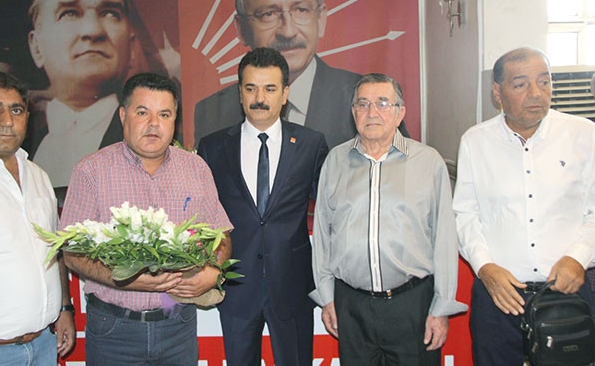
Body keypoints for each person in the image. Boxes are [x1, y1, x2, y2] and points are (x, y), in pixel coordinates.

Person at [60, 72, 232, 365]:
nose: (154, 124)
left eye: (164, 114)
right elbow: (72, 252)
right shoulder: (91, 171)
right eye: (143, 112)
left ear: (175, 119)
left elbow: (221, 235)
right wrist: (127, 279)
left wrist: (214, 270)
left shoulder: (196, 168)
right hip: (115, 330)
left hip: (178, 326)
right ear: (123, 115)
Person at [453, 47, 595, 365]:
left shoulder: (583, 134)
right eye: (521, 84)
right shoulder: (476, 141)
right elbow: (465, 215)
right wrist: (485, 268)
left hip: (567, 293)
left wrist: (578, 258)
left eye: (544, 82)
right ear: (497, 93)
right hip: (500, 296)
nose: (536, 93)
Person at [312, 73, 466, 365]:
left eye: (383, 103)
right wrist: (327, 297)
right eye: (363, 104)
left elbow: (445, 239)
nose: (372, 112)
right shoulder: (335, 161)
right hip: (351, 306)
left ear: (400, 112)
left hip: (412, 305)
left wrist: (441, 307)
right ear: (354, 112)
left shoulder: (428, 162)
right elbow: (322, 234)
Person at [194, 0, 407, 149]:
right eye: (268, 14)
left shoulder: (362, 98)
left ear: (321, 19)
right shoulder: (212, 112)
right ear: (241, 29)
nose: (288, 31)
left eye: (301, 10)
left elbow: (397, 164)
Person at [198, 47, 328, 366]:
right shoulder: (213, 146)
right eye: (251, 88)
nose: (260, 98)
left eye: (270, 88)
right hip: (237, 287)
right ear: (240, 93)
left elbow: (332, 210)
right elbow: (202, 216)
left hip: (292, 286)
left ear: (285, 94)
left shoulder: (311, 144)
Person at [0, 71, 75, 364]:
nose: (7, 121)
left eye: (16, 110)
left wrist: (64, 309)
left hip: (43, 344)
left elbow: (53, 250)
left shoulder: (38, 175)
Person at [25, 0, 135, 188]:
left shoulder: (155, 142)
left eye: (110, 13)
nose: (93, 31)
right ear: (36, 47)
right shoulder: (18, 145)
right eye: (69, 13)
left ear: (132, 46)